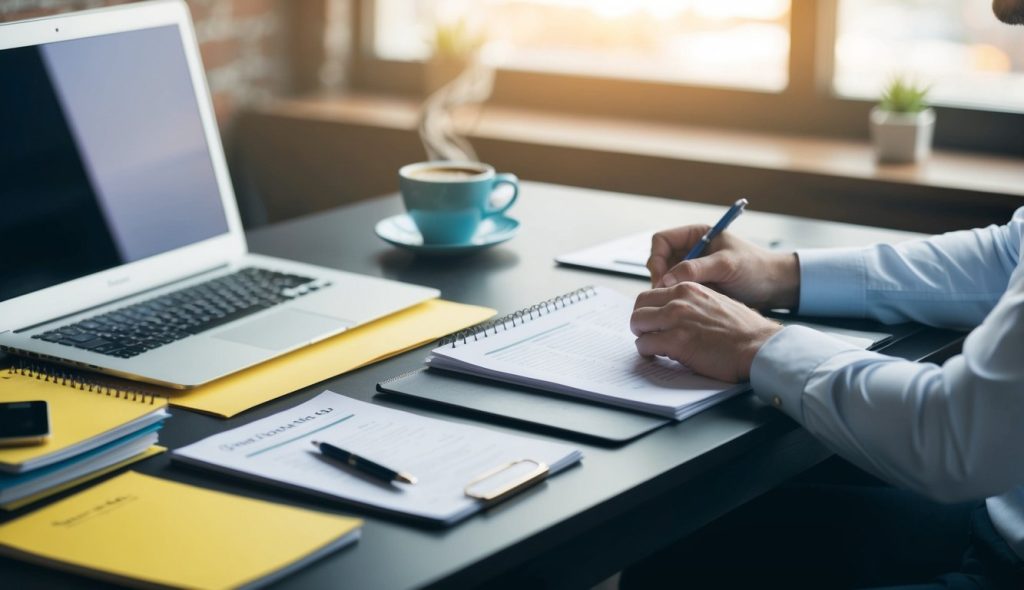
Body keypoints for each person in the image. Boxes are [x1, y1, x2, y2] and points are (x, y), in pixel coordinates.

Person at [623, 4, 1024, 587]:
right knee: (690, 548)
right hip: (1001, 514)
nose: (1001, 8)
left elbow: (957, 438)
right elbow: (1009, 256)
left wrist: (756, 344)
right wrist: (778, 273)